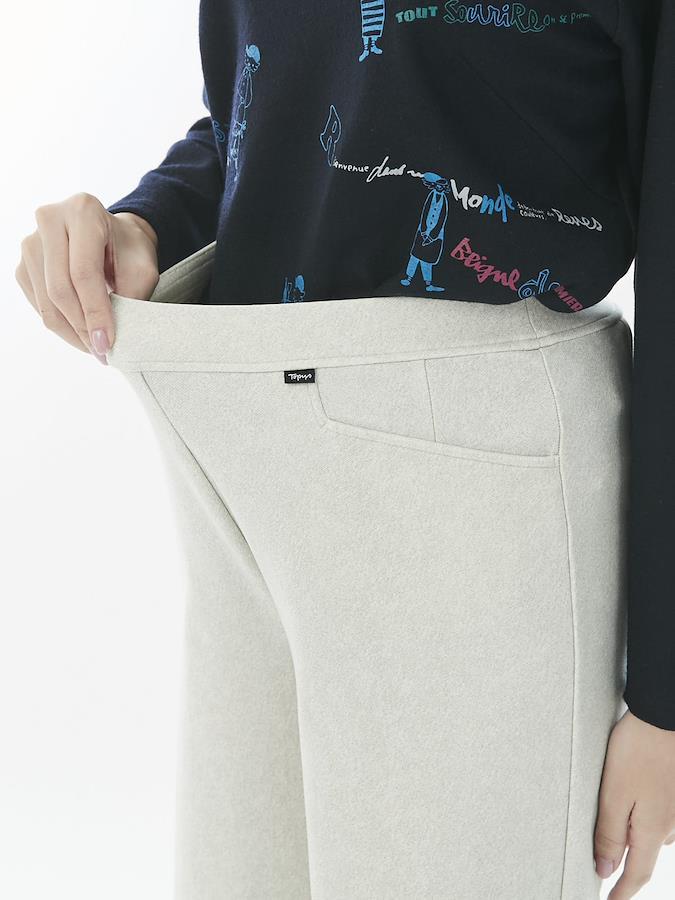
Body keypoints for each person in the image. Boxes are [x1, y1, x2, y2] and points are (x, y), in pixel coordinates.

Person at [14, 2, 675, 898]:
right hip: (240, 461)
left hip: (468, 475)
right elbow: (296, 104)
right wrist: (149, 220)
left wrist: (662, 699)